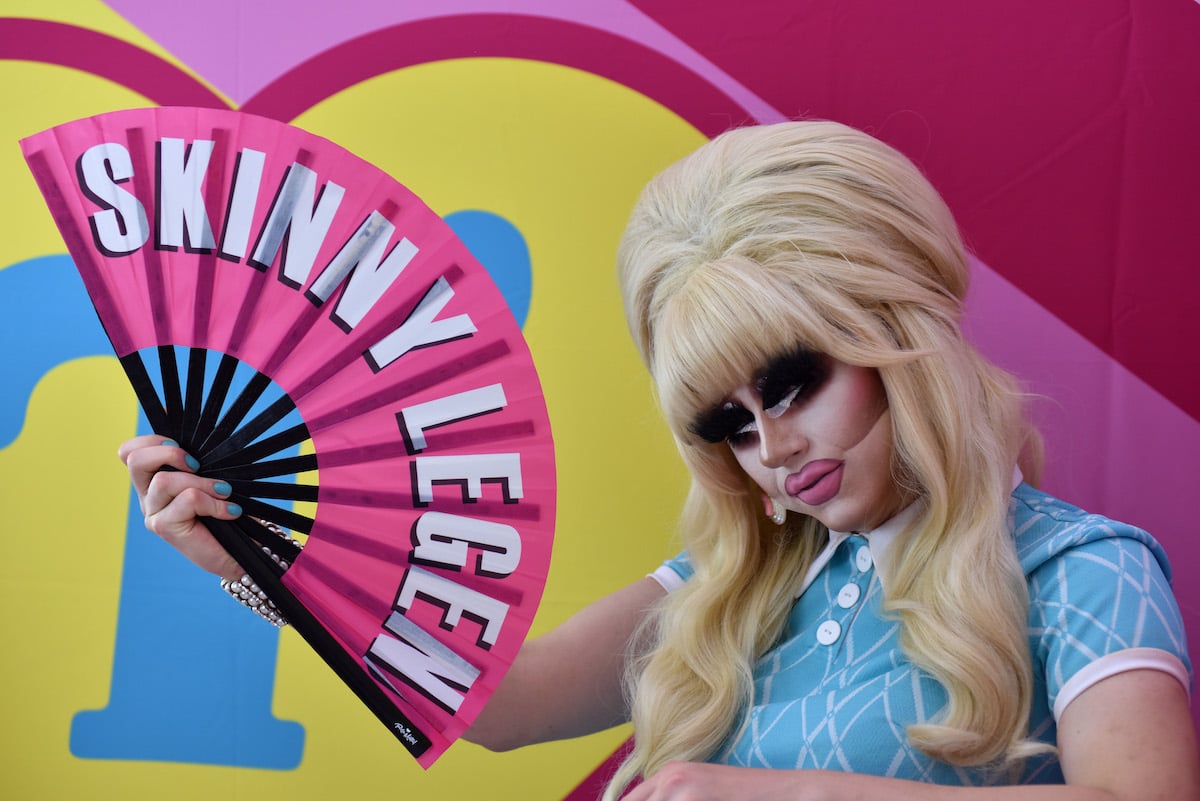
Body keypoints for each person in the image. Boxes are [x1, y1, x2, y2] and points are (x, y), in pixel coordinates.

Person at [121, 120, 1198, 800]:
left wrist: (791, 797)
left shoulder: (1084, 572)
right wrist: (258, 563)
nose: (771, 450)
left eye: (791, 384)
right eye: (727, 423)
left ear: (898, 340)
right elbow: (500, 706)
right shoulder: (743, 585)